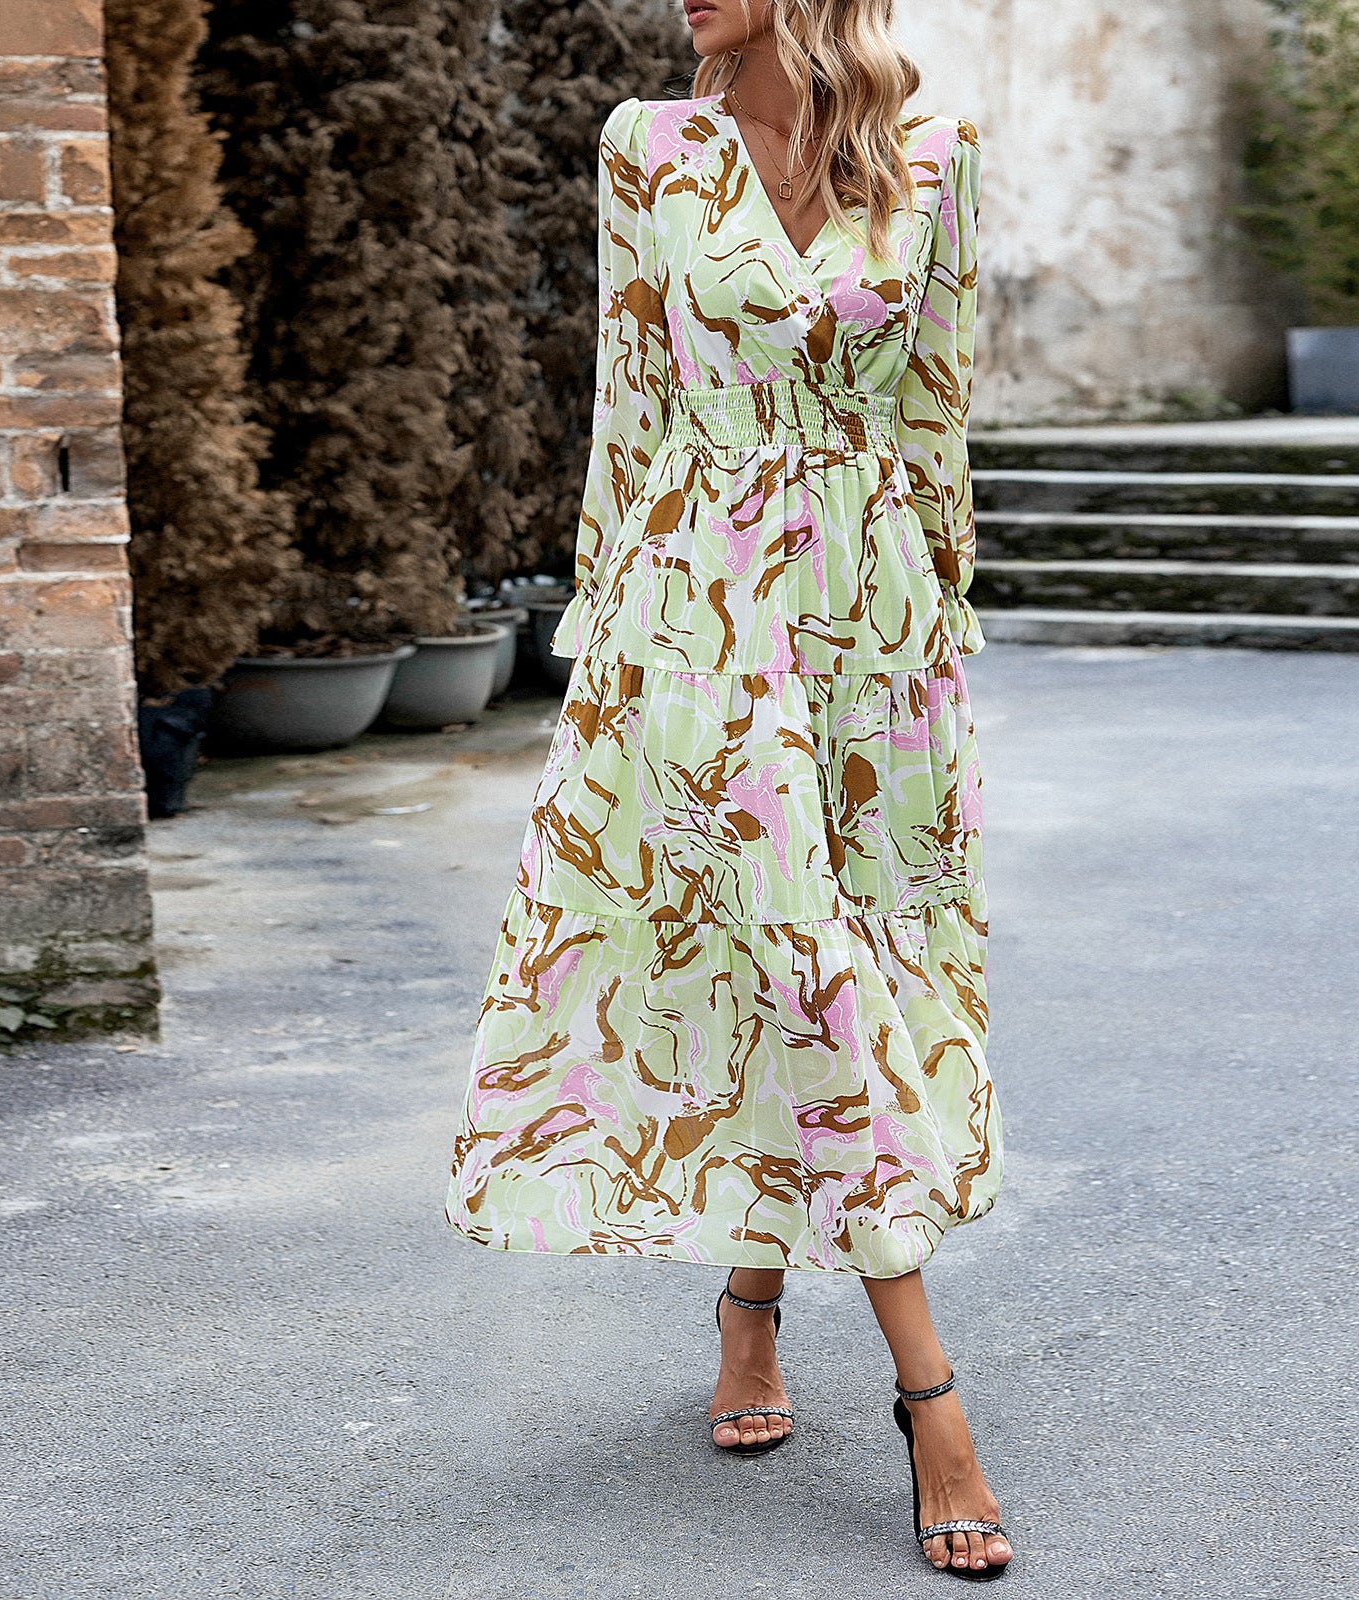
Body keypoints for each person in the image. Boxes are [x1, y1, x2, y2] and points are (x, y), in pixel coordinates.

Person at [446, 0, 1011, 1577]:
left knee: (840, 959)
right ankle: (931, 1399)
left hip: (870, 621)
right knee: (794, 951)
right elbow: (628, 400)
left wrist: (940, 630)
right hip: (701, 608)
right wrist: (605, 629)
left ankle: (751, 1302)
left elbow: (935, 405)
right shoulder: (652, 146)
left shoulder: (935, 156)